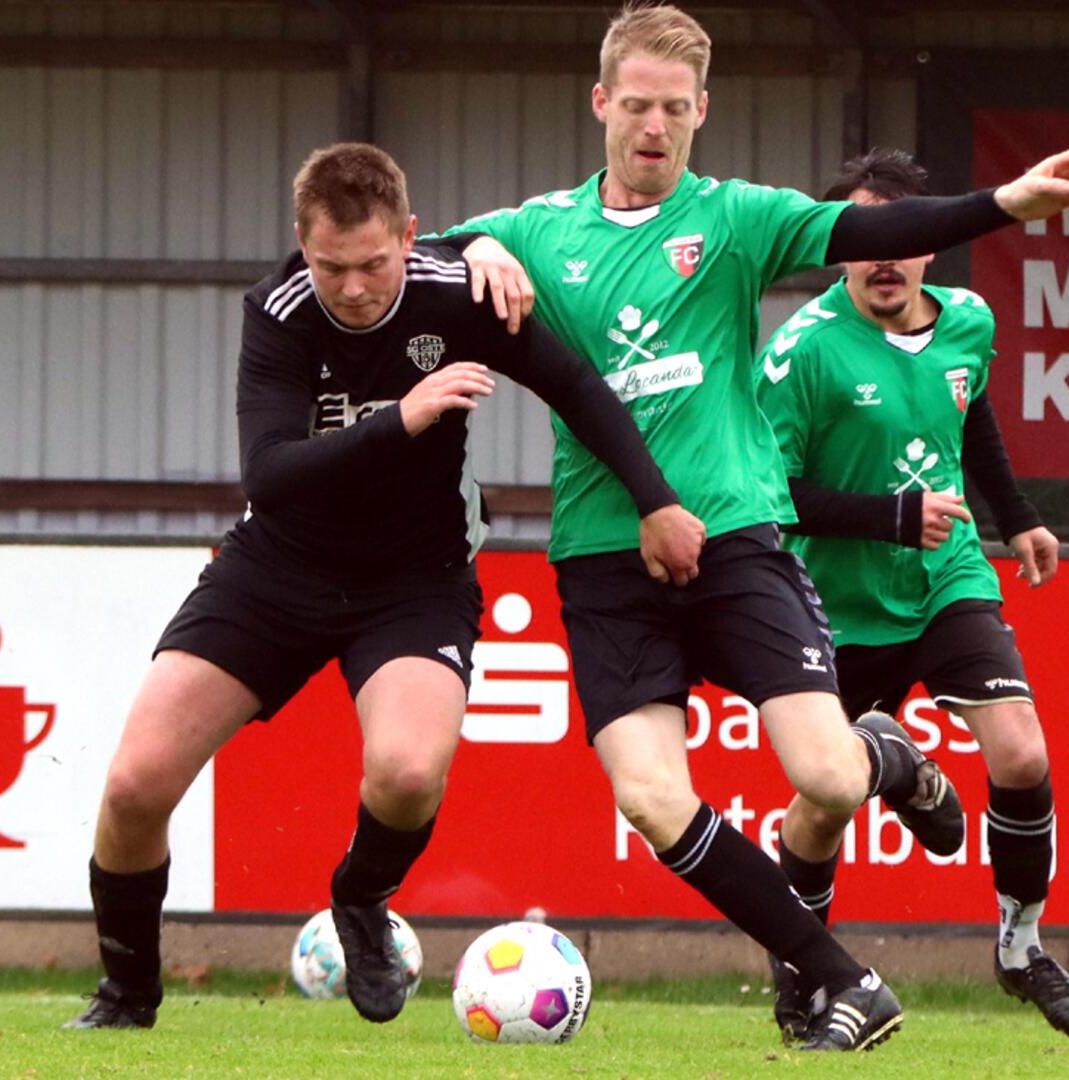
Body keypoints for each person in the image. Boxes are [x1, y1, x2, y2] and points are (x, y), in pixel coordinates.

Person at [444, 2, 1069, 1051]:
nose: (653, 128)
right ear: (600, 102)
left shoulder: (737, 218)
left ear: (699, 112)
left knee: (828, 780)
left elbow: (875, 229)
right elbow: (409, 267)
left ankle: (881, 758)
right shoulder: (536, 231)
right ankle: (845, 980)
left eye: (675, 110)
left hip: (738, 537)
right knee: (655, 802)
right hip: (604, 560)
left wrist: (1010, 201)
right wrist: (472, 252)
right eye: (636, 106)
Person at [66, 142, 704, 1030]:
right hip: (275, 570)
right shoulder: (279, 311)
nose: (356, 287)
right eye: (332, 266)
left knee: (406, 774)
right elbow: (271, 474)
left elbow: (578, 388)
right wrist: (404, 419)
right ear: (302, 242)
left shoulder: (457, 292)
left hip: (415, 580)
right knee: (135, 787)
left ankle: (360, 898)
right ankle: (127, 996)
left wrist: (657, 502)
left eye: (374, 263)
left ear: (409, 237)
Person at [753, 149, 1069, 1039]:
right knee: (823, 801)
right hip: (835, 600)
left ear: (927, 247)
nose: (881, 260)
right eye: (862, 242)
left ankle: (1021, 947)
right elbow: (769, 494)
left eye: (897, 242)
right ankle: (806, 969)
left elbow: (969, 408)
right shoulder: (802, 352)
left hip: (945, 580)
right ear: (839, 249)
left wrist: (1016, 516)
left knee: (1021, 752)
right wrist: (892, 516)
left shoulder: (969, 322)